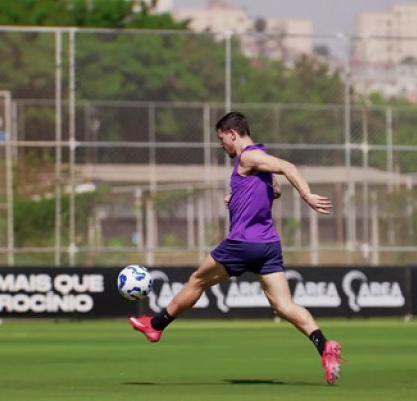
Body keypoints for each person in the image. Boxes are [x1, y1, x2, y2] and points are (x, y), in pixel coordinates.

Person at [128, 111, 344, 385]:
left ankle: (156, 325)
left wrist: (306, 195)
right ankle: (324, 346)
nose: (223, 146)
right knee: (283, 305)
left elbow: (288, 167)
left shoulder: (248, 156)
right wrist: (240, 196)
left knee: (197, 280)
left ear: (233, 134)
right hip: (268, 245)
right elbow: (275, 190)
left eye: (223, 140)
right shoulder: (259, 158)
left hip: (243, 243)